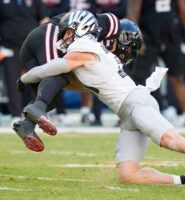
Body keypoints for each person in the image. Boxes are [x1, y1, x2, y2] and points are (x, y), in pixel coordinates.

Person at [15, 12, 185, 185]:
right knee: (128, 176)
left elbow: (55, 67)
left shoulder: (85, 45)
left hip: (136, 104)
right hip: (126, 113)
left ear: (81, 28)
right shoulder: (94, 48)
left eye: (68, 32)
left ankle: (32, 116)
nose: (64, 37)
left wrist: (25, 78)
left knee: (172, 141)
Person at [13, 10, 121, 144]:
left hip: (42, 45)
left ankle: (26, 125)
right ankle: (36, 108)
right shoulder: (111, 25)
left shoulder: (96, 48)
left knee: (50, 98)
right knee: (57, 74)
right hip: (50, 33)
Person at [126, 0, 185, 127]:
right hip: (148, 34)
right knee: (140, 76)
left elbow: (183, 10)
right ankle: (130, 113)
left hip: (171, 33)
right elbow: (133, 11)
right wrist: (136, 37)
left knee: (177, 76)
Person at [0, 0, 49, 123]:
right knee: (12, 82)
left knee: (33, 80)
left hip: (31, 47)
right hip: (10, 47)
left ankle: (31, 113)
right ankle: (15, 114)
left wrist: (42, 41)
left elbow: (44, 20)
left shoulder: (36, 2)